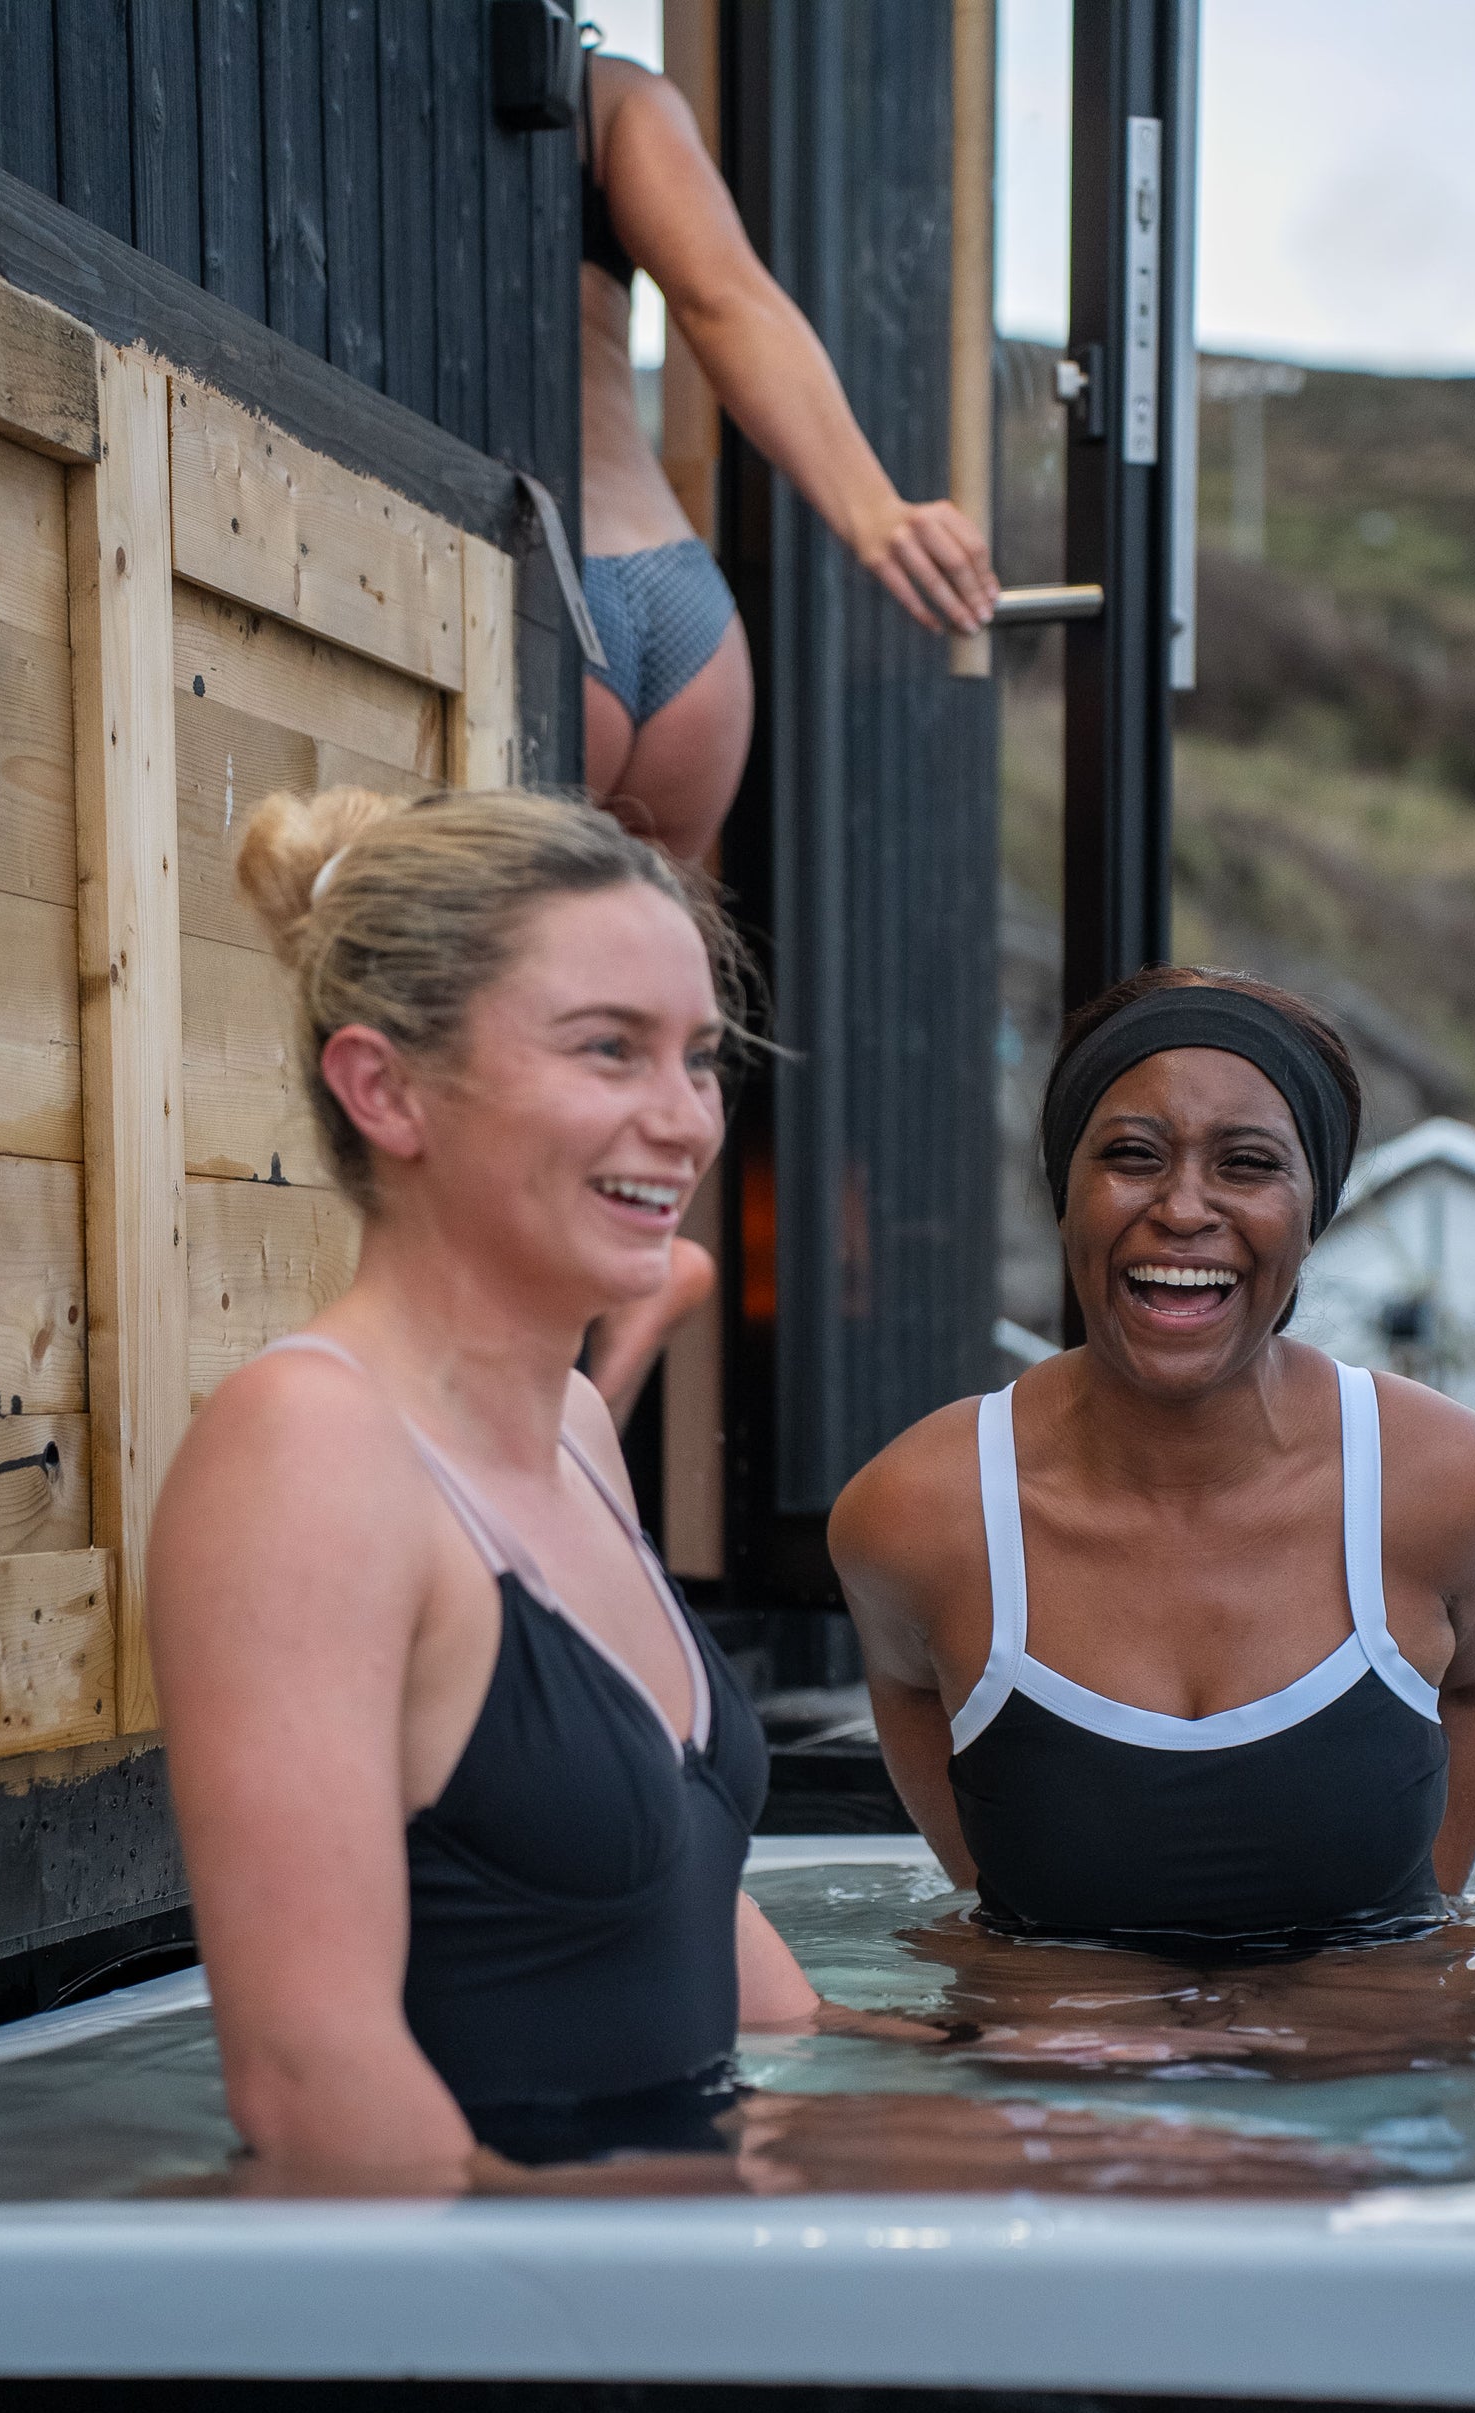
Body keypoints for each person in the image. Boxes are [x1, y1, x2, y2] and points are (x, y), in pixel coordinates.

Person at [150, 785, 881, 2191]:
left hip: (670, 2210)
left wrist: (988, 2077)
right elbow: (311, 2085)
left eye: (697, 1058)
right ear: (385, 1089)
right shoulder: (307, 1453)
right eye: (609, 1049)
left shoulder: (575, 1432)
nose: (683, 1119)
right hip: (501, 2289)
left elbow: (685, 1914)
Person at [828, 966, 1475, 1953]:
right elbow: (912, 1693)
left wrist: (1403, 1951)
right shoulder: (918, 1509)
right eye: (1132, 1155)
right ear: (1064, 1194)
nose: (1183, 1208)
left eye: (1247, 1164)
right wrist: (1034, 1954)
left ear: (1313, 1210)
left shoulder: (1450, 1483)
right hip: (1058, 2046)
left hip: (1366, 2039)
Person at [575, 42, 1002, 1418]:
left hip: (534, 581)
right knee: (652, 992)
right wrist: (874, 511)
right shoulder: (611, 96)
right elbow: (725, 296)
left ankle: (556, 1367)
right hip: (673, 601)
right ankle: (639, 1268)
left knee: (517, 1011)